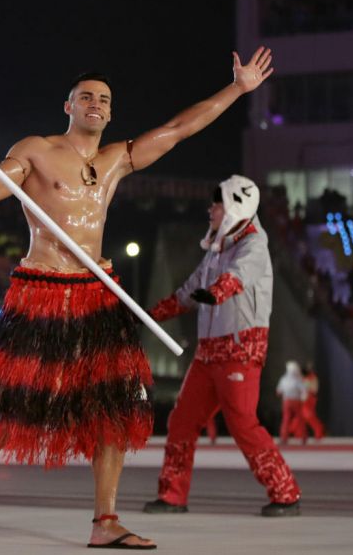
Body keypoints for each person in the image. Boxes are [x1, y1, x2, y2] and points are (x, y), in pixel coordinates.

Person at [0, 47, 276, 548]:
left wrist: (239, 90)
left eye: (104, 100)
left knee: (113, 407)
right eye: (86, 97)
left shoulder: (117, 159)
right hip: (43, 291)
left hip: (96, 293)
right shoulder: (36, 150)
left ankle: (105, 521)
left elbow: (180, 129)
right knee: (14, 405)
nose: (95, 104)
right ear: (67, 106)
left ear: (111, 112)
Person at [143, 176, 301, 518]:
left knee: (243, 423)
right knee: (182, 421)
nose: (210, 209)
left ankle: (285, 492)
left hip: (241, 348)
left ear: (236, 206)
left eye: (217, 203)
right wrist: (153, 314)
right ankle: (172, 495)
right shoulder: (219, 248)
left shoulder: (253, 245)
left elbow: (238, 277)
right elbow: (189, 291)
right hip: (209, 351)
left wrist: (214, 293)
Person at [275, 361, 307, 445]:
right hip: (296, 401)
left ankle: (284, 438)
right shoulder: (298, 379)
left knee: (286, 420)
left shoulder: (283, 379)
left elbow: (278, 391)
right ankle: (303, 438)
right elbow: (304, 390)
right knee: (299, 419)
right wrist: (303, 397)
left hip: (287, 401)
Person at [300, 362, 325, 441]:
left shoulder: (312, 378)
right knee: (303, 417)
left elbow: (314, 389)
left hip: (309, 398)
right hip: (305, 399)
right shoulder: (305, 378)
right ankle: (301, 434)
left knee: (310, 417)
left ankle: (319, 432)